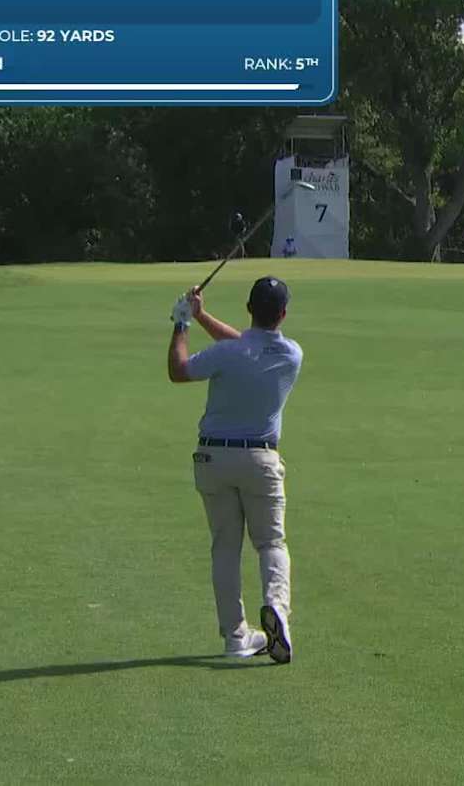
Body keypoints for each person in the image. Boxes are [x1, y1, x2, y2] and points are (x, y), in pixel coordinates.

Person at [167, 277, 303, 663]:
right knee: (271, 544)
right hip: (260, 461)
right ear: (283, 314)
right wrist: (202, 316)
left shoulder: (229, 353)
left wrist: (183, 323)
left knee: (225, 548)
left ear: (248, 308)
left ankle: (236, 637)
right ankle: (277, 608)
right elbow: (248, 347)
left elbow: (179, 370)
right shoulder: (292, 354)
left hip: (212, 459)